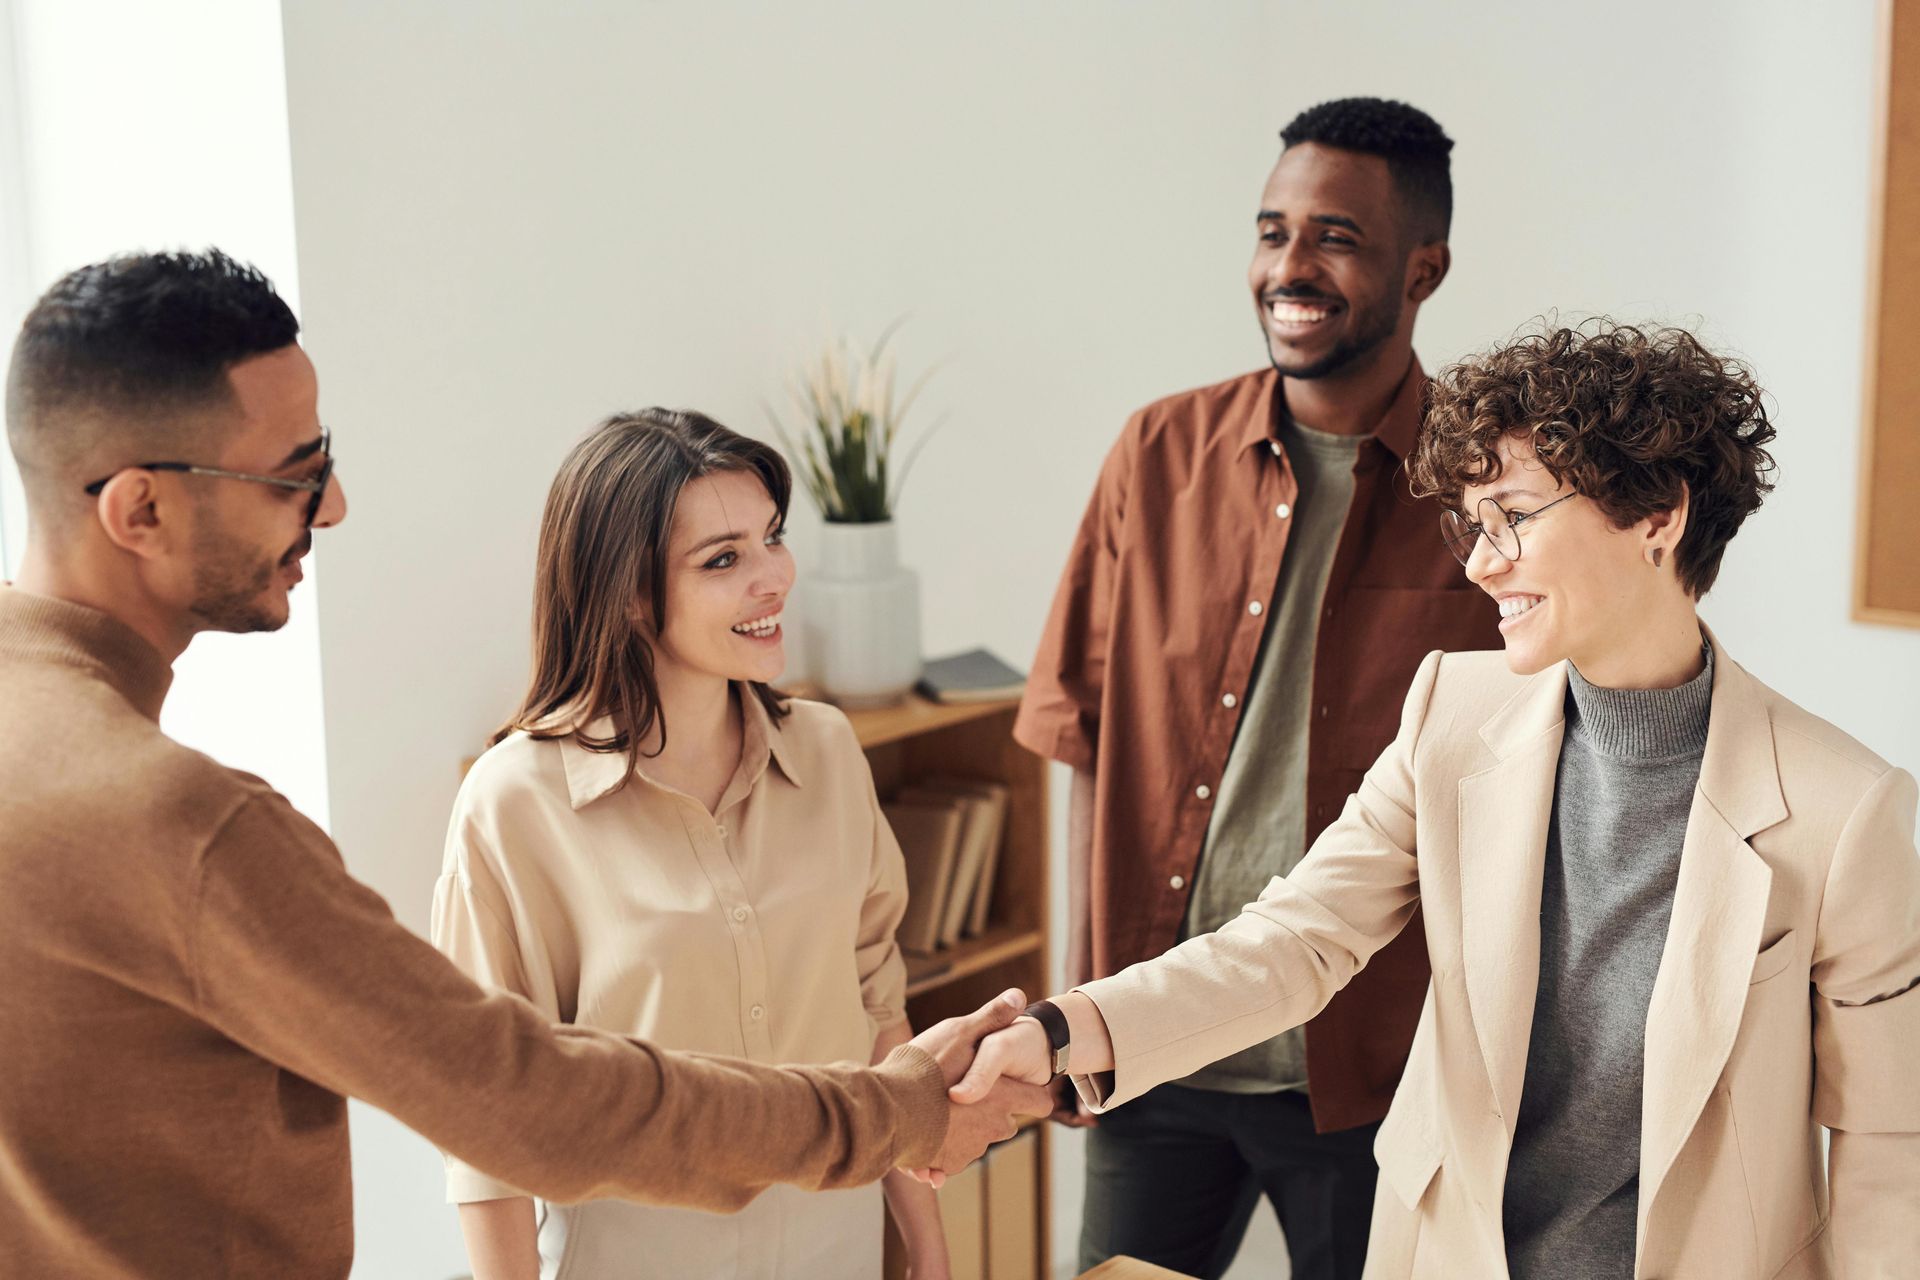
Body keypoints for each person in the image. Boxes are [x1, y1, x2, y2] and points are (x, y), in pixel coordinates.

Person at [0, 249, 1048, 1278]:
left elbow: (868, 994)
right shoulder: (186, 821)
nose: (334, 506)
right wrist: (895, 1109)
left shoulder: (822, 750)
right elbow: (517, 1100)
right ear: (137, 509)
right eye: (295, 475)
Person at [957, 320, 1920, 1278]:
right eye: (1474, 523)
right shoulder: (1450, 715)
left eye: (1515, 517)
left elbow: (1891, 1145)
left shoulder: (1845, 810)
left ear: (1657, 517)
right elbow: (1295, 941)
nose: (1479, 562)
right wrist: (1059, 1032)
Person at [1013, 96, 1499, 1279]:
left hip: (1371, 1071)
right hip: (1154, 1048)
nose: (1291, 266)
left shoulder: (1489, 487)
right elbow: (1077, 739)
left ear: (1422, 268)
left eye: (1335, 236)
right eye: (1273, 229)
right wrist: (1082, 1006)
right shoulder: (1155, 455)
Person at [434, 409, 947, 1279]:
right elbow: (487, 1123)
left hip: (839, 1257)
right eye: (723, 560)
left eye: (771, 539)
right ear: (629, 595)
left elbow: (879, 1019)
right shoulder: (516, 802)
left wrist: (928, 1253)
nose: (773, 578)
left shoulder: (825, 753)